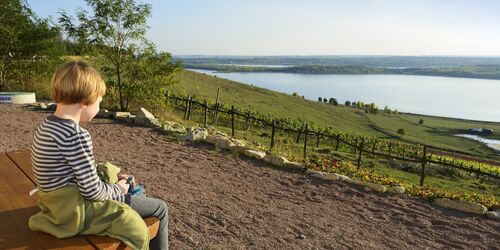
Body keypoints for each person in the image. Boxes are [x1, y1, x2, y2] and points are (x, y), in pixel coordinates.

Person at [30, 61, 168, 250]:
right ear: (84, 102)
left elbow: (70, 169)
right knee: (160, 208)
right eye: (99, 100)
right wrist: (119, 188)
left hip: (55, 205)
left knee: (118, 179)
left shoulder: (47, 125)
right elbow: (93, 192)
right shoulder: (76, 135)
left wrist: (114, 179)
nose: (100, 105)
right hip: (77, 211)